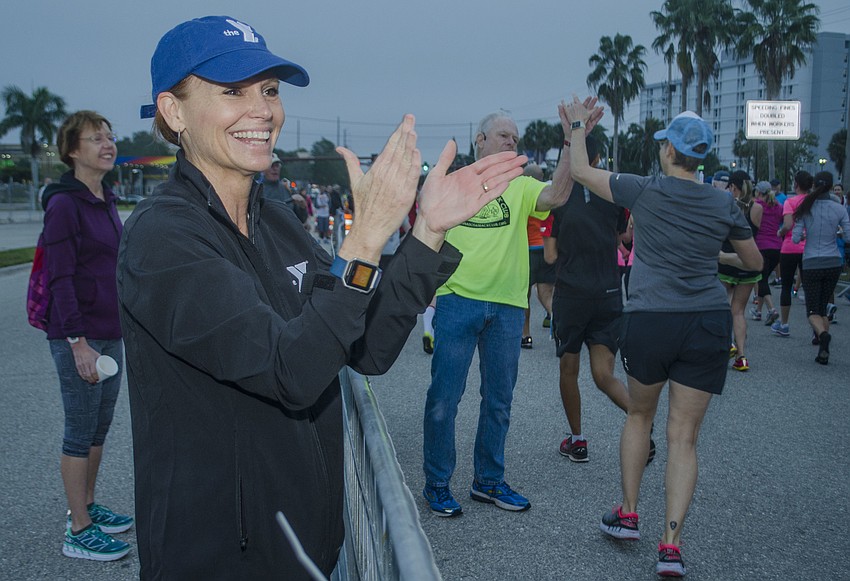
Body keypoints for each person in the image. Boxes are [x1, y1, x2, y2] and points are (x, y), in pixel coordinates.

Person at [120, 16, 527, 579]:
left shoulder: (277, 218)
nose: (262, 110)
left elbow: (366, 349)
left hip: (312, 549)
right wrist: (363, 239)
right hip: (220, 559)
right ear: (174, 111)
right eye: (232, 91)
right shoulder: (162, 238)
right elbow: (290, 370)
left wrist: (429, 231)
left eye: (268, 90)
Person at [561, 101, 761, 577]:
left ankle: (628, 514)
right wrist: (714, 259)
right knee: (684, 437)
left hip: (652, 319)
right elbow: (753, 264)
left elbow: (582, 169)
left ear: (669, 149)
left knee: (639, 415)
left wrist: (575, 127)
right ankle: (670, 544)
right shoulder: (722, 202)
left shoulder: (642, 189)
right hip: (706, 321)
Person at [422, 102, 604, 517]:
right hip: (457, 300)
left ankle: (488, 481)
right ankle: (436, 483)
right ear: (480, 140)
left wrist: (570, 138)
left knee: (499, 401)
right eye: (504, 135)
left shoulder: (522, 186)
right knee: (444, 400)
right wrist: (424, 290)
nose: (512, 142)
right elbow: (428, 234)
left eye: (516, 138)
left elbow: (558, 193)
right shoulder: (453, 182)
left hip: (506, 307)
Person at [41, 110, 133, 562]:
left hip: (109, 331)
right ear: (73, 150)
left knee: (98, 428)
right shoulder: (64, 204)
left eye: (109, 137)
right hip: (79, 337)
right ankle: (77, 530)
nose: (107, 144)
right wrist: (77, 341)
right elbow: (59, 277)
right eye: (96, 138)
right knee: (79, 431)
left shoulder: (105, 198)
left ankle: (89, 508)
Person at [543, 134, 638, 464]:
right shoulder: (614, 195)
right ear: (598, 157)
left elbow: (552, 255)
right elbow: (620, 238)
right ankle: (642, 422)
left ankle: (577, 439)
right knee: (603, 375)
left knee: (569, 368)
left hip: (571, 294)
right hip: (609, 293)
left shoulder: (560, 197)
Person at [792, 171, 850, 364]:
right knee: (823, 306)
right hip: (834, 261)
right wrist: (837, 234)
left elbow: (795, 237)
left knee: (812, 311)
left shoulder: (806, 207)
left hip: (812, 262)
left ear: (814, 185)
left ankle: (822, 335)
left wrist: (803, 236)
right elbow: (848, 236)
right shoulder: (839, 209)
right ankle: (822, 349)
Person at [718, 170, 761, 372]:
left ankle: (728, 344)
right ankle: (742, 357)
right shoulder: (757, 208)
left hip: (726, 261)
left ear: (733, 187)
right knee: (739, 311)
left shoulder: (727, 207)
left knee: (723, 303)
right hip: (748, 262)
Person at [772, 171, 813, 337]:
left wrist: (780, 232)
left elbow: (788, 224)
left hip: (789, 247)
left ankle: (784, 323)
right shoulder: (813, 201)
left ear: (796, 184)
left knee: (786, 286)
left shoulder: (790, 202)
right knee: (810, 288)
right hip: (809, 248)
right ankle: (815, 328)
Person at [521, 163, 554, 349]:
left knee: (524, 297)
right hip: (546, 247)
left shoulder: (525, 194)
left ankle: (526, 336)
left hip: (528, 250)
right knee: (546, 294)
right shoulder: (548, 195)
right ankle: (556, 321)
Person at [749, 180, 783, 327]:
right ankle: (758, 311)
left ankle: (772, 309)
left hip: (761, 245)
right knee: (763, 278)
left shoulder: (757, 205)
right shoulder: (778, 206)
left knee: (761, 280)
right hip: (777, 247)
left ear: (758, 192)